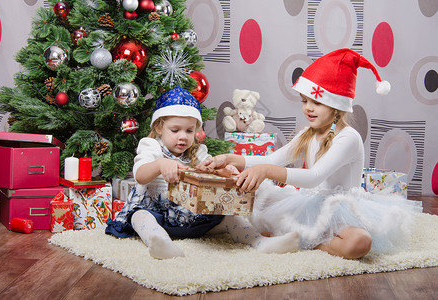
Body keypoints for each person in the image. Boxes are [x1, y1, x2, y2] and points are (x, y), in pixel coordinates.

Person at [199, 49, 423, 259]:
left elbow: (314, 176)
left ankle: (306, 242)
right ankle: (294, 236)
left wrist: (266, 171)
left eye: (317, 102)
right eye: (305, 101)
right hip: (309, 203)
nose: (308, 108)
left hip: (341, 207)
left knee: (360, 242)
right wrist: (229, 158)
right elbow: (272, 159)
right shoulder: (308, 133)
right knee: (259, 208)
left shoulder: (348, 138)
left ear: (336, 106)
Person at [106, 86, 299, 259]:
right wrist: (160, 164)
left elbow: (210, 171)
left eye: (189, 131)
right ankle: (160, 242)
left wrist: (224, 171)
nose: (183, 137)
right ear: (159, 127)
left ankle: (259, 242)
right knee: (139, 216)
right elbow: (140, 175)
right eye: (175, 130)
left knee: (230, 216)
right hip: (160, 216)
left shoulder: (196, 152)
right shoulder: (152, 146)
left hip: (194, 220)